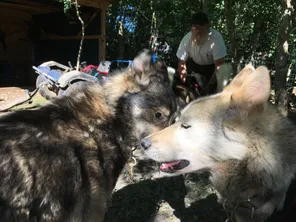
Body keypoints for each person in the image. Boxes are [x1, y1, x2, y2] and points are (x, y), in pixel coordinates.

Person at [176, 11, 227, 95]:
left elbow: (219, 66)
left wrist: (209, 87)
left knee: (218, 93)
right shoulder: (187, 39)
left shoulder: (216, 38)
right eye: (195, 27)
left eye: (201, 27)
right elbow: (182, 62)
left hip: (212, 69)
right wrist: (184, 80)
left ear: (208, 26)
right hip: (194, 66)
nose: (198, 30)